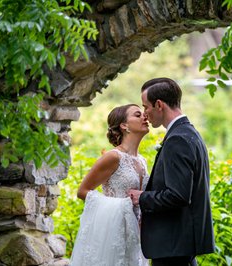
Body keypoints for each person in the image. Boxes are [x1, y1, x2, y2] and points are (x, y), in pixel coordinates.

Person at [129, 77, 215, 266]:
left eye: (146, 107)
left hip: (173, 245)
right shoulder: (189, 133)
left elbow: (179, 195)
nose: (145, 114)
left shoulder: (178, 140)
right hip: (181, 246)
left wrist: (142, 197)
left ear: (159, 105)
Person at [70, 104, 150, 266]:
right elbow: (82, 191)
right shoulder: (113, 157)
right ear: (124, 125)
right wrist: (123, 206)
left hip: (138, 235)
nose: (145, 117)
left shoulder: (142, 161)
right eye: (137, 115)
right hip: (115, 233)